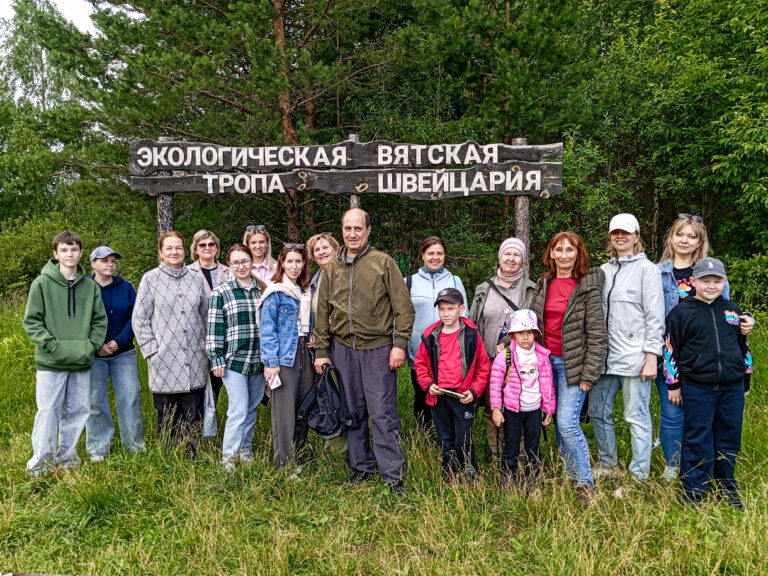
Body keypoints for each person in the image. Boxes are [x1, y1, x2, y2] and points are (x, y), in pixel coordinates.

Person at [313, 208, 415, 494]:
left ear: (368, 230)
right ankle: (362, 467)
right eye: (348, 228)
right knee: (352, 411)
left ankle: (392, 475)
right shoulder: (333, 268)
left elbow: (404, 309)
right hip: (343, 349)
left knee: (382, 413)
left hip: (377, 349)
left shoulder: (383, 263)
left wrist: (399, 344)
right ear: (342, 231)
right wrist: (321, 350)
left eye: (358, 228)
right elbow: (322, 312)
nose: (353, 234)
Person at [655, 214, 755, 481]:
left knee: (708, 420)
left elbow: (727, 316)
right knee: (672, 414)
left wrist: (748, 320)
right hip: (671, 356)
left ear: (700, 241)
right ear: (671, 238)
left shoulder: (711, 271)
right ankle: (674, 466)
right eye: (680, 234)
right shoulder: (656, 273)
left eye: (692, 236)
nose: (685, 240)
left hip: (710, 364)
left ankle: (712, 469)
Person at [662, 258, 753, 508]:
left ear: (724, 282)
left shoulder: (732, 311)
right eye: (705, 281)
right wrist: (674, 384)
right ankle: (693, 490)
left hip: (732, 387)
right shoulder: (681, 312)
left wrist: (745, 380)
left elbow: (743, 347)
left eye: (717, 281)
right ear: (693, 282)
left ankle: (726, 485)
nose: (711, 286)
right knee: (697, 437)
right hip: (697, 387)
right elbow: (670, 349)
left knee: (729, 436)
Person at [23, 230, 108, 475]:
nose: (69, 254)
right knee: (48, 411)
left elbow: (99, 321)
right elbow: (32, 321)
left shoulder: (90, 287)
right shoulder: (41, 284)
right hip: (51, 361)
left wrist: (90, 346)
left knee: (78, 411)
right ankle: (41, 464)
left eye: (74, 249)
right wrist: (51, 345)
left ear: (81, 253)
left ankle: (67, 459)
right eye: (64, 250)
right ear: (55, 253)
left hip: (81, 360)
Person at [530, 231, 606, 500]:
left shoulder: (586, 286)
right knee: (559, 424)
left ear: (578, 253)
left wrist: (589, 373)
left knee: (567, 423)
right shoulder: (544, 283)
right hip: (544, 363)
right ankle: (570, 474)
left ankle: (586, 484)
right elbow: (532, 321)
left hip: (572, 365)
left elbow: (597, 333)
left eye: (569, 250)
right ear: (550, 253)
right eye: (558, 250)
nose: (564, 255)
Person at [589, 213, 664, 485]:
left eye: (626, 232)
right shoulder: (603, 271)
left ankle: (638, 475)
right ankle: (609, 465)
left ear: (636, 236)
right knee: (598, 411)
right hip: (604, 359)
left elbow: (655, 316)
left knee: (636, 416)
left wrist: (651, 357)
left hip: (635, 358)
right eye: (615, 232)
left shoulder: (648, 270)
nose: (620, 237)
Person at [133, 231, 209, 456]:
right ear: (161, 252)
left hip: (194, 358)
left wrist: (206, 348)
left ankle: (192, 457)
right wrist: (152, 352)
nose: (174, 252)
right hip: (164, 358)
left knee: (193, 413)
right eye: (169, 248)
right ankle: (168, 458)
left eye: (178, 248)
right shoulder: (150, 279)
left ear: (185, 251)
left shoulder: (196, 278)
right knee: (167, 414)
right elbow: (139, 319)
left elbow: (205, 316)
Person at [469, 237, 535, 458]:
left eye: (517, 255)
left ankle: (521, 454)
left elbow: (535, 325)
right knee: (492, 407)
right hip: (487, 360)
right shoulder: (483, 289)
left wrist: (508, 342)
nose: (511, 259)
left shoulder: (531, 290)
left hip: (521, 361)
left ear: (523, 260)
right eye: (507, 253)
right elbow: (473, 322)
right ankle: (497, 453)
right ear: (500, 257)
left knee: (520, 406)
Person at [414, 288, 489, 484]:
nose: (446, 314)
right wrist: (428, 384)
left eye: (450, 308)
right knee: (445, 437)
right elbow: (420, 364)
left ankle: (469, 473)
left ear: (461, 309)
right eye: (442, 309)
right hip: (439, 395)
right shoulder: (430, 336)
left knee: (463, 437)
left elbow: (483, 366)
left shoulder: (471, 335)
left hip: (462, 396)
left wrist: (474, 390)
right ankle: (449, 473)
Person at [206, 244, 266, 471]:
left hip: (258, 360)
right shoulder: (222, 292)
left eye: (245, 261)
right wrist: (216, 359)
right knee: (238, 409)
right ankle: (229, 459)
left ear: (252, 262)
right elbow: (214, 328)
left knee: (251, 409)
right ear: (229, 265)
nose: (241, 266)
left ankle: (245, 451)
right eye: (236, 262)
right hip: (234, 361)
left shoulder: (262, 289)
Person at [257, 244, 314, 470]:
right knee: (285, 412)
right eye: (289, 261)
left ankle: (296, 457)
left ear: (304, 264)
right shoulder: (276, 292)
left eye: (298, 261)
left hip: (305, 353)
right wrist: (271, 363)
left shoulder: (305, 291)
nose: (294, 266)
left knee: (303, 408)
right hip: (284, 356)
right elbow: (267, 330)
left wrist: (313, 334)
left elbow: (308, 321)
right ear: (281, 263)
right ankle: (283, 464)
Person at [86, 246, 145, 462]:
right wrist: (96, 345)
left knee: (130, 396)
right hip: (93, 355)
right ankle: (98, 449)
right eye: (105, 260)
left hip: (123, 352)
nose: (110, 264)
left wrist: (117, 343)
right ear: (93, 263)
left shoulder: (126, 287)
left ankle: (135, 446)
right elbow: (79, 320)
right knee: (95, 400)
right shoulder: (84, 288)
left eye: (113, 261)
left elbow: (135, 318)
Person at [406, 236, 468, 430]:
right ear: (422, 255)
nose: (435, 257)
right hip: (419, 352)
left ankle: (447, 436)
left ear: (445, 256)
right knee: (422, 395)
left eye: (439, 253)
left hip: (450, 354)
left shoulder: (454, 281)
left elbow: (465, 316)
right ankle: (425, 437)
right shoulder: (409, 282)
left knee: (447, 397)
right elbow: (400, 316)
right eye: (430, 253)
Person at [490, 309, 555, 487]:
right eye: (520, 333)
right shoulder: (505, 356)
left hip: (534, 410)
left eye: (529, 333)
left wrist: (549, 408)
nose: (525, 337)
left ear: (535, 334)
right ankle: (507, 483)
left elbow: (548, 384)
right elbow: (495, 384)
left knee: (533, 448)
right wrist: (496, 409)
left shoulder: (542, 356)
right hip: (513, 411)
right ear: (512, 335)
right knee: (511, 447)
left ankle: (531, 483)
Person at [307, 232, 347, 455]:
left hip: (342, 343)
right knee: (327, 394)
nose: (321, 252)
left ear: (336, 250)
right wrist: (314, 331)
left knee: (343, 393)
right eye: (317, 249)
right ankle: (333, 443)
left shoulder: (345, 274)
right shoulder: (313, 281)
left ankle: (347, 447)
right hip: (321, 346)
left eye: (325, 247)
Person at [188, 229, 232, 404]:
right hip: (197, 338)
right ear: (195, 249)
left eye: (211, 244)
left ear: (217, 248)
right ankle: (200, 420)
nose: (207, 248)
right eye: (202, 245)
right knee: (199, 389)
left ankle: (215, 420)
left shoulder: (229, 272)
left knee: (218, 385)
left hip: (226, 338)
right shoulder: (187, 273)